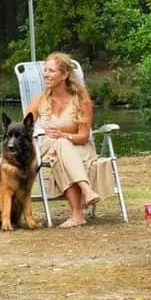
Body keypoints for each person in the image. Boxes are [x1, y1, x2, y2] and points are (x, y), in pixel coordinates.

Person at [26, 51, 113, 229]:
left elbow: (83, 137)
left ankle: (77, 215)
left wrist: (64, 136)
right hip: (48, 147)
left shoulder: (81, 101)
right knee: (60, 146)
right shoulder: (40, 100)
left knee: (61, 151)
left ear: (65, 75)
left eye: (51, 71)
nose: (46, 74)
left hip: (80, 148)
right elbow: (23, 127)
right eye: (45, 70)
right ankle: (87, 190)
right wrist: (38, 134)